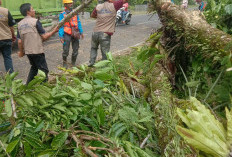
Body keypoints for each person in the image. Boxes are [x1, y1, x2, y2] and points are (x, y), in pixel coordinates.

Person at [17, 3, 58, 84]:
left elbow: (19, 41)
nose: (34, 10)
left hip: (28, 52)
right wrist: (54, 31)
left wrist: (21, 52)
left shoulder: (19, 24)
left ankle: (27, 86)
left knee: (34, 68)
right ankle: (44, 88)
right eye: (32, 9)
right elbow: (44, 37)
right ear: (28, 12)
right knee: (44, 70)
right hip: (37, 51)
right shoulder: (35, 22)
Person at [88, 0, 128, 67]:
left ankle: (91, 63)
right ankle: (104, 68)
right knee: (105, 53)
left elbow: (92, 15)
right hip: (105, 34)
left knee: (93, 48)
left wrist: (102, 16)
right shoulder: (114, 5)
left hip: (95, 32)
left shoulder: (98, 6)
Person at [59, 0, 84, 68]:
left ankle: (73, 63)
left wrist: (81, 32)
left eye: (71, 2)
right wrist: (61, 36)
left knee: (76, 49)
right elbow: (61, 26)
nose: (71, 4)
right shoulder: (62, 14)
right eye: (69, 3)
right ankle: (65, 63)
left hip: (75, 33)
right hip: (66, 34)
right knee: (66, 50)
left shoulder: (75, 12)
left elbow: (78, 23)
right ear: (65, 4)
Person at [0, 0, 16, 73]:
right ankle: (11, 78)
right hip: (6, 38)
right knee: (7, 58)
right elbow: (11, 26)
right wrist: (13, 36)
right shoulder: (5, 11)